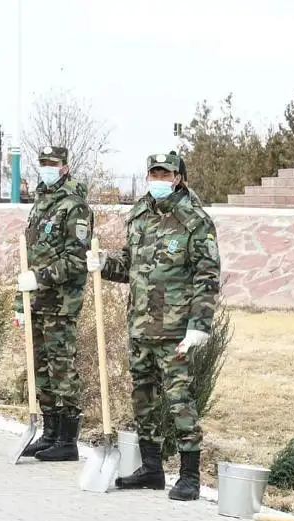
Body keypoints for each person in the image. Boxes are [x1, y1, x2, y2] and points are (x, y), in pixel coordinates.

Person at [86, 151, 221, 501]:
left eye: (166, 174)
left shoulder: (194, 220)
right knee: (142, 398)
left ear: (177, 177)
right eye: (154, 173)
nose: (159, 179)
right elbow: (130, 267)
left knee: (180, 401)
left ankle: (190, 475)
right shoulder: (139, 215)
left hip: (176, 330)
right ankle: (151, 469)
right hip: (141, 327)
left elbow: (207, 277)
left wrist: (199, 325)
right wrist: (103, 263)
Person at [14, 146, 94, 461]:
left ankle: (67, 440)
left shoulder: (75, 207)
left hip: (61, 301)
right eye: (43, 163)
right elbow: (31, 255)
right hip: (37, 299)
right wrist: (22, 301)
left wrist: (41, 278)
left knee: (62, 368)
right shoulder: (42, 203)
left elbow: (76, 259)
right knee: (41, 367)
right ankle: (49, 432)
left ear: (65, 166)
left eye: (53, 163)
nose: (47, 167)